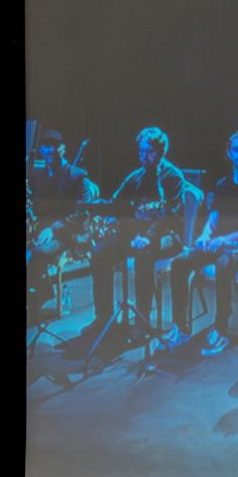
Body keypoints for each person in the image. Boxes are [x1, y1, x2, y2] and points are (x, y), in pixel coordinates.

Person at [164, 131, 238, 357]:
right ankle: (181, 327)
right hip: (219, 242)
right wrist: (204, 235)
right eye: (236, 150)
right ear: (229, 153)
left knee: (223, 264)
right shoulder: (222, 185)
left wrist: (224, 239)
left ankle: (221, 328)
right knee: (180, 263)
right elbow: (213, 221)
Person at [78, 126, 185, 344]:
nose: (144, 157)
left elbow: (169, 215)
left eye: (149, 152)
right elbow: (117, 204)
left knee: (144, 255)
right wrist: (93, 207)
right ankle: (104, 316)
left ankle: (142, 323)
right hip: (137, 234)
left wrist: (149, 236)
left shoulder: (173, 177)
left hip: (169, 235)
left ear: (161, 151)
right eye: (141, 152)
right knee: (100, 252)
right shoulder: (135, 177)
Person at [26, 128, 98, 316]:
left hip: (70, 234)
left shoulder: (78, 175)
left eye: (55, 147)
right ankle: (43, 289)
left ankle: (36, 297)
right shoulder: (37, 174)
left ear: (63, 149)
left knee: (37, 253)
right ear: (41, 150)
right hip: (43, 230)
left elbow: (84, 212)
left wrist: (53, 227)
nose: (51, 151)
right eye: (46, 147)